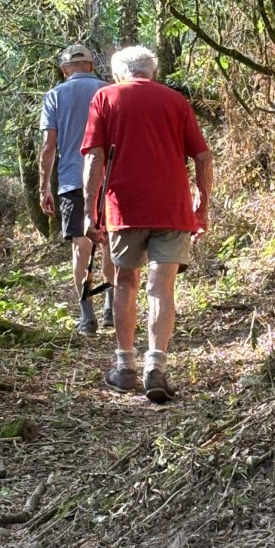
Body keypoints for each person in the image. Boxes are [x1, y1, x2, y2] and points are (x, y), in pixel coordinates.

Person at [81, 45, 213, 403]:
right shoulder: (176, 102)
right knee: (161, 287)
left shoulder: (105, 98)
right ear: (152, 72)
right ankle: (155, 365)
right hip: (172, 207)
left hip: (125, 207)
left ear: (120, 73)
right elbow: (202, 155)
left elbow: (94, 157)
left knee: (126, 282)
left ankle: (124, 367)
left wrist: (90, 209)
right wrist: (203, 200)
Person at [39, 43, 114, 335]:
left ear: (63, 70)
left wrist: (44, 185)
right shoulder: (109, 91)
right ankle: (110, 306)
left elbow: (48, 146)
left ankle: (87, 316)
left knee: (80, 247)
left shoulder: (55, 96)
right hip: (109, 179)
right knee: (108, 242)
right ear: (92, 66)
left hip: (72, 180)